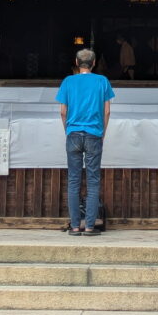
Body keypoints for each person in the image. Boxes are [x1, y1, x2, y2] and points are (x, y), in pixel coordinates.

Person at [56, 48, 114, 236]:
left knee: (73, 180)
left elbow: (63, 111)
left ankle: (74, 227)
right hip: (94, 134)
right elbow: (107, 112)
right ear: (94, 63)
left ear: (76, 62)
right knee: (93, 180)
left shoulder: (68, 81)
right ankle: (89, 226)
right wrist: (102, 133)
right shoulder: (102, 81)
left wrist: (68, 131)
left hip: (73, 133)